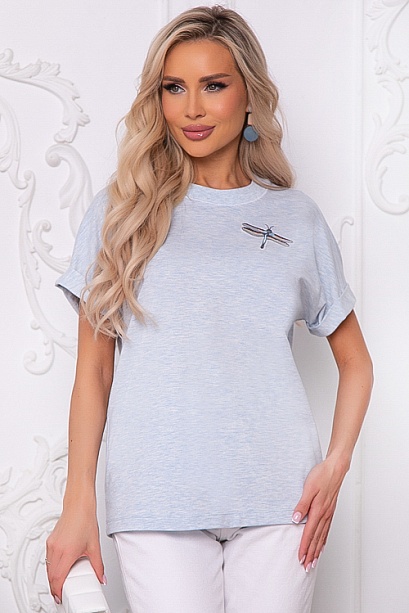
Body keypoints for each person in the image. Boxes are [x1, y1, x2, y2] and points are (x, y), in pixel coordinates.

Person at [46, 5, 373, 613]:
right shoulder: (121, 213)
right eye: (174, 88)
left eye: (213, 85)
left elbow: (356, 362)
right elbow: (94, 371)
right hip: (156, 497)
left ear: (249, 96)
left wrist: (335, 465)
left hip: (282, 499)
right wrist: (77, 502)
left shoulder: (294, 218)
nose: (191, 108)